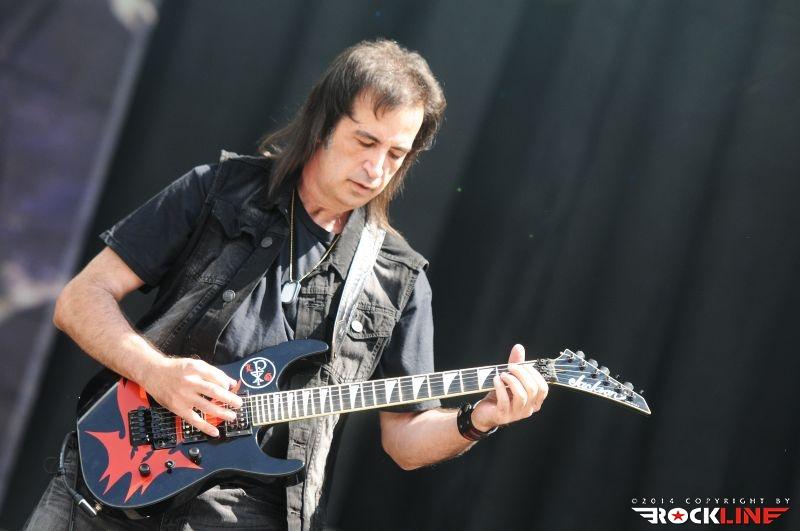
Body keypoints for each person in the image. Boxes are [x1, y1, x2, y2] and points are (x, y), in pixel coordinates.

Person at [25, 39, 548, 531]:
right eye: (366, 141)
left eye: (395, 154)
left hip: (240, 516)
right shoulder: (216, 191)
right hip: (109, 481)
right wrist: (156, 372)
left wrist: (478, 419)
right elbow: (80, 299)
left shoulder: (398, 278)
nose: (375, 169)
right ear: (323, 124)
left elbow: (405, 439)